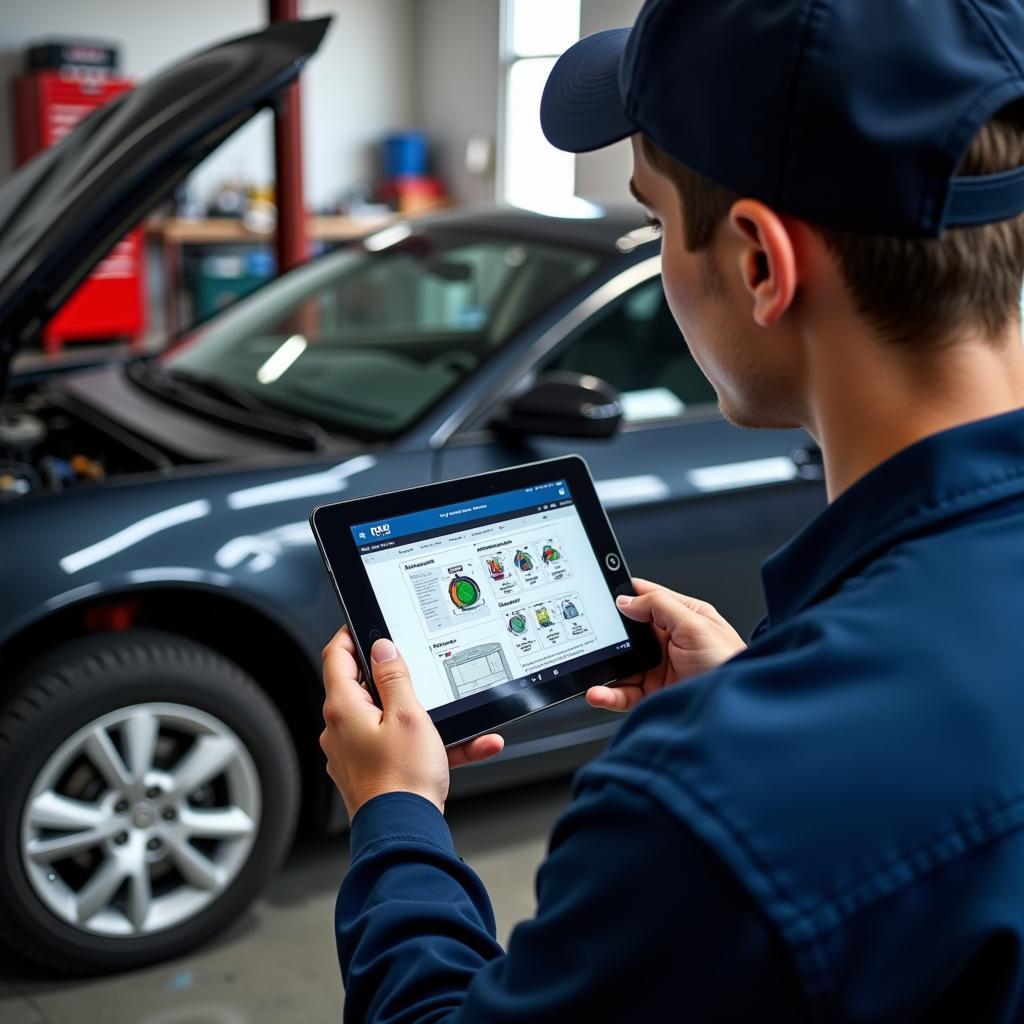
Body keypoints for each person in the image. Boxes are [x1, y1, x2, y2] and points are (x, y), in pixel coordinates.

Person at [319, 1, 1024, 1019]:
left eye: (653, 218)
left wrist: (393, 814)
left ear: (757, 264)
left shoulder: (706, 806)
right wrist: (758, 690)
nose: (657, 253)